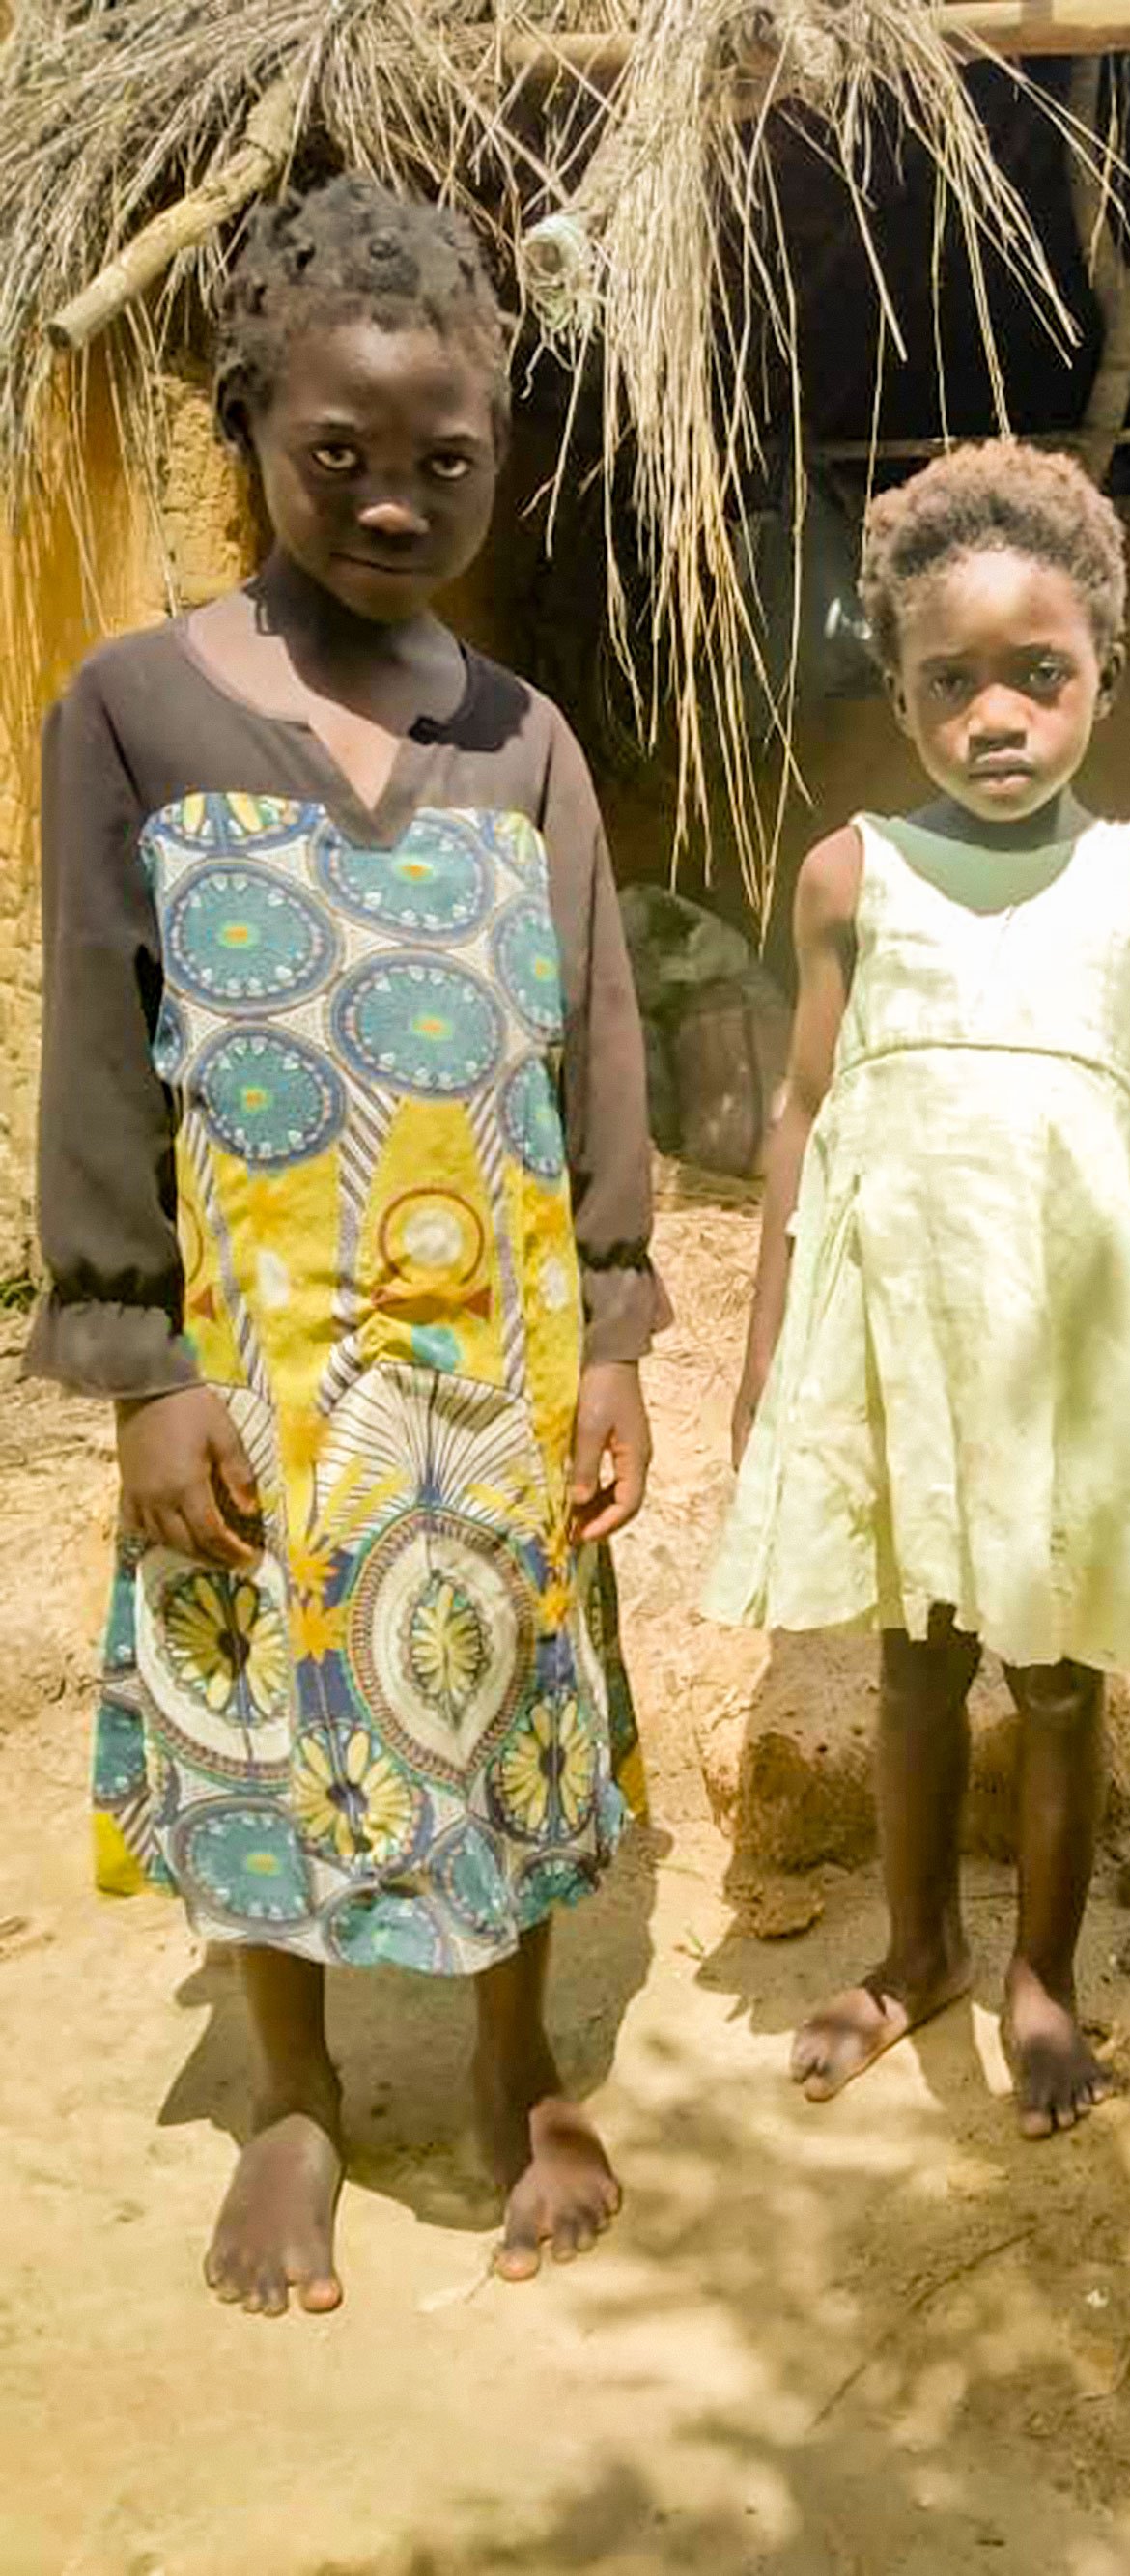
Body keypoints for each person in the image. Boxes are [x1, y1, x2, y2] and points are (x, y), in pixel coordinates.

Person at [29, 177, 668, 2315]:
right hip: (257, 1344)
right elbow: (102, 1061)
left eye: (444, 466)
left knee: (502, 1687)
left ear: (500, 457)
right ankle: (293, 2090)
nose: (393, 500)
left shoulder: (527, 743)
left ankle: (513, 2056)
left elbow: (594, 1039)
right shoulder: (136, 708)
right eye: (340, 457)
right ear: (248, 425)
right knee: (254, 1697)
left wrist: (616, 1325)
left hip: (490, 1351)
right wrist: (143, 1359)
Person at [706, 441, 1130, 2137]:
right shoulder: (854, 874)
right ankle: (917, 1944)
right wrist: (770, 1350)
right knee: (916, 1659)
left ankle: (1043, 1975)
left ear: (1104, 679)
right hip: (904, 1338)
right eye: (952, 685)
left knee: (1060, 1674)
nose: (997, 716)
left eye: (1039, 677)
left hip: (1071, 1353)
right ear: (903, 693)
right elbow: (804, 1112)